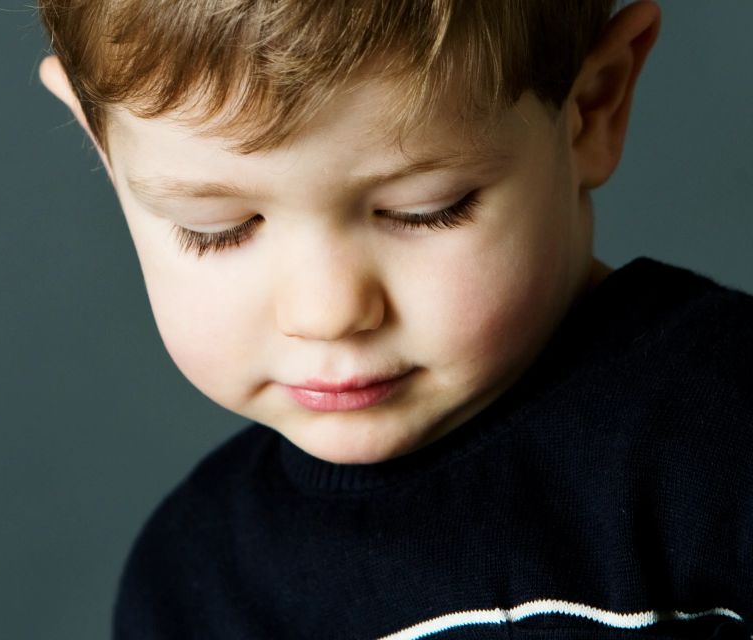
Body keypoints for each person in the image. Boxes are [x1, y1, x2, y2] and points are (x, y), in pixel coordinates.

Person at [36, 1, 753, 637]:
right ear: (102, 146)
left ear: (591, 107)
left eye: (424, 210)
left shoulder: (724, 430)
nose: (328, 314)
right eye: (218, 227)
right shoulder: (195, 585)